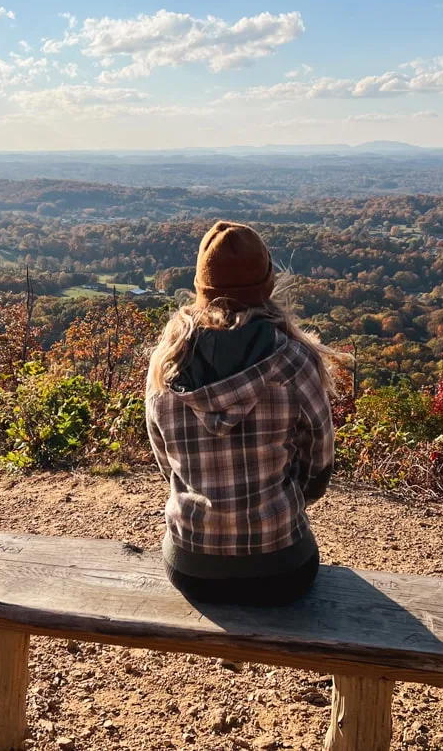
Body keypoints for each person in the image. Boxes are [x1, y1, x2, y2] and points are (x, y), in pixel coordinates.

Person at [145, 221, 347, 605]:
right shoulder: (295, 362)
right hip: (281, 568)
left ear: (200, 287)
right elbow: (319, 464)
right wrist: (283, 499)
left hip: (192, 567)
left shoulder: (165, 366)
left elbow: (166, 465)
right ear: (267, 285)